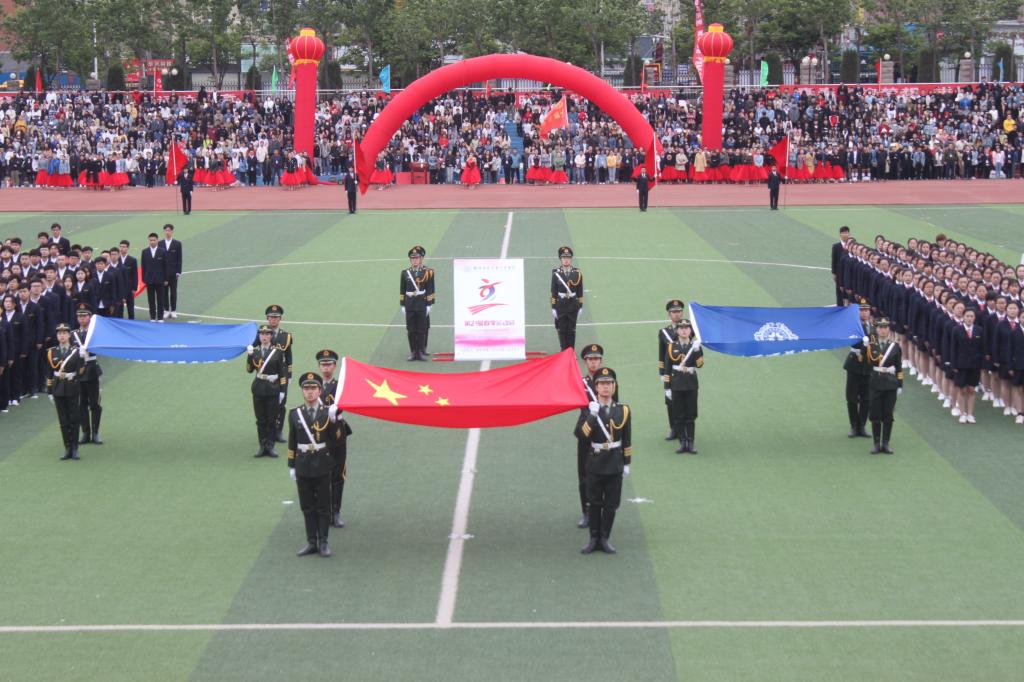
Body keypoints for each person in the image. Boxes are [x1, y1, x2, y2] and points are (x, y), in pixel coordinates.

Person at [575, 367, 631, 555]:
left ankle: (605, 538)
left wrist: (627, 462)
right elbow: (581, 435)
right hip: (595, 463)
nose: (606, 387)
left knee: (611, 504)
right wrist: (592, 416)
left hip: (614, 463)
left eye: (609, 383)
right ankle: (593, 539)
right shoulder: (590, 410)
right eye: (602, 384)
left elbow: (627, 438)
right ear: (596, 387)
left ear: (614, 387)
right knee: (594, 503)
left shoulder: (623, 410)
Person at [288, 371, 334, 558]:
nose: (309, 392)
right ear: (302, 391)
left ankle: (323, 542)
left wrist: (337, 419)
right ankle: (311, 542)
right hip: (303, 464)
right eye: (306, 388)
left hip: (322, 463)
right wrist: (291, 465)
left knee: (323, 506)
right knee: (307, 506)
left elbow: (335, 440)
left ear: (319, 391)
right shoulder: (294, 414)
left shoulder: (327, 412)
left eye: (313, 388)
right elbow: (292, 441)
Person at [575, 344, 618, 529]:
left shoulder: (609, 381)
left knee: (607, 473)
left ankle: (603, 510)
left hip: (604, 433)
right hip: (587, 431)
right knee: (585, 473)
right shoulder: (580, 382)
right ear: (585, 362)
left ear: (601, 361)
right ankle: (587, 511)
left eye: (596, 359)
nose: (593, 362)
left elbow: (615, 407)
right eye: (590, 359)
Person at [317, 349, 352, 529]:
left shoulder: (340, 385)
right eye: (323, 364)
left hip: (336, 431)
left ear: (334, 366)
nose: (326, 367)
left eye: (329, 364)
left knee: (337, 474)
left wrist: (335, 411)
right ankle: (324, 511)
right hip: (318, 432)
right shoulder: (313, 385)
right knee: (320, 474)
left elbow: (346, 401)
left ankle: (335, 511)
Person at [247, 324, 289, 458]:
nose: (264, 337)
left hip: (273, 388)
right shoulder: (255, 351)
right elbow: (249, 370)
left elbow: (282, 373)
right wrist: (249, 355)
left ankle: (270, 446)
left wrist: (282, 391)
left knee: (271, 420)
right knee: (260, 420)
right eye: (262, 334)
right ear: (259, 336)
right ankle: (262, 445)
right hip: (259, 387)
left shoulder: (277, 352)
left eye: (267, 334)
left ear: (271, 336)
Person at [664, 320, 704, 454]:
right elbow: (667, 368)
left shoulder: (694, 346)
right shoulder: (671, 347)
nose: (684, 330)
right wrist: (667, 388)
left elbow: (700, 364)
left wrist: (697, 350)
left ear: (690, 331)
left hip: (691, 384)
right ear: (677, 331)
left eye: (687, 328)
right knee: (678, 415)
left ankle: (691, 442)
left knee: (691, 415)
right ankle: (682, 442)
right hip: (676, 384)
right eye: (681, 328)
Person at [47, 323, 85, 460]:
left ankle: (75, 448)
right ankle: (67, 447)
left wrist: (82, 358)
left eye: (64, 333)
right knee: (63, 420)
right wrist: (49, 391)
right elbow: (50, 373)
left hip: (71, 386)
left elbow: (81, 371)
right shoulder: (52, 351)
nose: (62, 336)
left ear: (69, 335)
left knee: (74, 418)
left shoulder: (76, 351)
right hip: (58, 387)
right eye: (59, 333)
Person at [867, 318, 903, 454]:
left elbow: (899, 367)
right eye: (880, 327)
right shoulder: (871, 345)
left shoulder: (895, 346)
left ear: (888, 329)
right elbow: (869, 363)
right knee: (875, 414)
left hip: (890, 384)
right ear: (876, 329)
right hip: (876, 382)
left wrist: (900, 385)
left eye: (885, 327)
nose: (883, 330)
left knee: (888, 415)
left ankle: (886, 443)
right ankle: (877, 443)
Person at [258, 304, 294, 441]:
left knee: (281, 402)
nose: (274, 319)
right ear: (267, 318)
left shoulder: (286, 336)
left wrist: (289, 375)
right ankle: (267, 430)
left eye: (276, 317)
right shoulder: (262, 334)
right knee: (265, 402)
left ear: (280, 319)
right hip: (266, 373)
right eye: (271, 317)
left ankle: (278, 430)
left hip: (281, 374)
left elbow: (289, 357)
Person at [72, 304, 103, 445]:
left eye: (84, 316)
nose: (82, 318)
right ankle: (85, 432)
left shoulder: (94, 333)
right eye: (79, 316)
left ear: (89, 317)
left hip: (91, 369)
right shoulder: (73, 334)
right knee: (81, 404)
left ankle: (95, 432)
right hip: (78, 371)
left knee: (94, 403)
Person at [843, 300, 874, 438]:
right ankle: (854, 426)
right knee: (852, 398)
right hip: (854, 364)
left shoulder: (874, 328)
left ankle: (862, 425)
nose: (864, 313)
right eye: (861, 310)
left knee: (866, 398)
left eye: (866, 310)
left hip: (868, 366)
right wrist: (863, 344)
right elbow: (851, 341)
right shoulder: (854, 326)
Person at [400, 246, 435, 361]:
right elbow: (402, 290)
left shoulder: (426, 272)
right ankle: (413, 352)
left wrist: (429, 304)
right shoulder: (405, 273)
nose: (414, 260)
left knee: (421, 329)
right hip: (410, 304)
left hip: (421, 304)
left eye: (417, 258)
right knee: (411, 330)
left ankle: (420, 351)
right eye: (412, 258)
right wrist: (402, 304)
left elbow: (430, 288)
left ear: (421, 259)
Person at [950, 307, 984, 424]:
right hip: (961, 365)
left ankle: (970, 414)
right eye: (967, 316)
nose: (969, 318)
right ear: (963, 317)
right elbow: (953, 348)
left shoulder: (979, 330)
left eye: (971, 316)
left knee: (972, 389)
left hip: (975, 365)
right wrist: (954, 365)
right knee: (962, 390)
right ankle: (962, 413)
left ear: (974, 318)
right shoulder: (957, 330)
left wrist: (981, 363)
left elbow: (982, 348)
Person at [658, 300, 685, 440]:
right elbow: (662, 353)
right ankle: (673, 429)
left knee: (685, 401)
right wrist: (662, 372)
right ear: (669, 314)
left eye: (679, 311)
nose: (677, 314)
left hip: (684, 370)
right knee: (670, 401)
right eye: (674, 312)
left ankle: (684, 429)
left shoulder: (688, 329)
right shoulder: (664, 332)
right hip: (670, 371)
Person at [550, 246, 583, 351]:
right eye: (564, 258)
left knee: (572, 329)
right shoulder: (556, 274)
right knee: (561, 329)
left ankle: (571, 351)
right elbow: (553, 292)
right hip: (561, 305)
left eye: (568, 258)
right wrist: (553, 307)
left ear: (571, 259)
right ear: (560, 259)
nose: (566, 260)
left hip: (573, 304)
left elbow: (580, 291)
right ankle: (563, 351)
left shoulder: (577, 273)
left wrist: (580, 306)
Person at [141, 233, 167, 321]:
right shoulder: (145, 252)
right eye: (150, 240)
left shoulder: (163, 251)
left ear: (157, 240)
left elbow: (165, 266)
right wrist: (144, 279)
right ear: (148, 241)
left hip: (160, 280)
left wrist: (166, 279)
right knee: (151, 300)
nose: (152, 242)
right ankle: (152, 317)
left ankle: (160, 317)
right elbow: (143, 266)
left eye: (154, 240)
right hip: (149, 280)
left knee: (160, 299)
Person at [161, 224, 183, 319]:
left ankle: (173, 310)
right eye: (166, 230)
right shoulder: (160, 243)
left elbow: (179, 258)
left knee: (173, 292)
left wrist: (178, 271)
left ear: (172, 232)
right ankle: (166, 310)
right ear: (164, 232)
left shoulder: (177, 244)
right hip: (163, 273)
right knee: (164, 292)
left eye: (169, 230)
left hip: (173, 273)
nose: (167, 232)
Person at [831, 226, 852, 307]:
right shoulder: (836, 246)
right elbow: (834, 260)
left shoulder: (852, 246)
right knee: (839, 292)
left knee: (849, 292)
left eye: (847, 233)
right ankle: (839, 307)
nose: (845, 234)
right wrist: (834, 273)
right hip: (839, 273)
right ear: (840, 234)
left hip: (849, 273)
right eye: (843, 233)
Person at [118, 240, 138, 320]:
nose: (122, 248)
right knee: (119, 308)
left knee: (130, 308)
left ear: (127, 248)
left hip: (129, 288)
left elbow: (135, 275)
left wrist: (134, 288)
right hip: (119, 288)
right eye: (120, 246)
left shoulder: (132, 260)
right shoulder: (117, 259)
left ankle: (131, 321)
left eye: (124, 247)